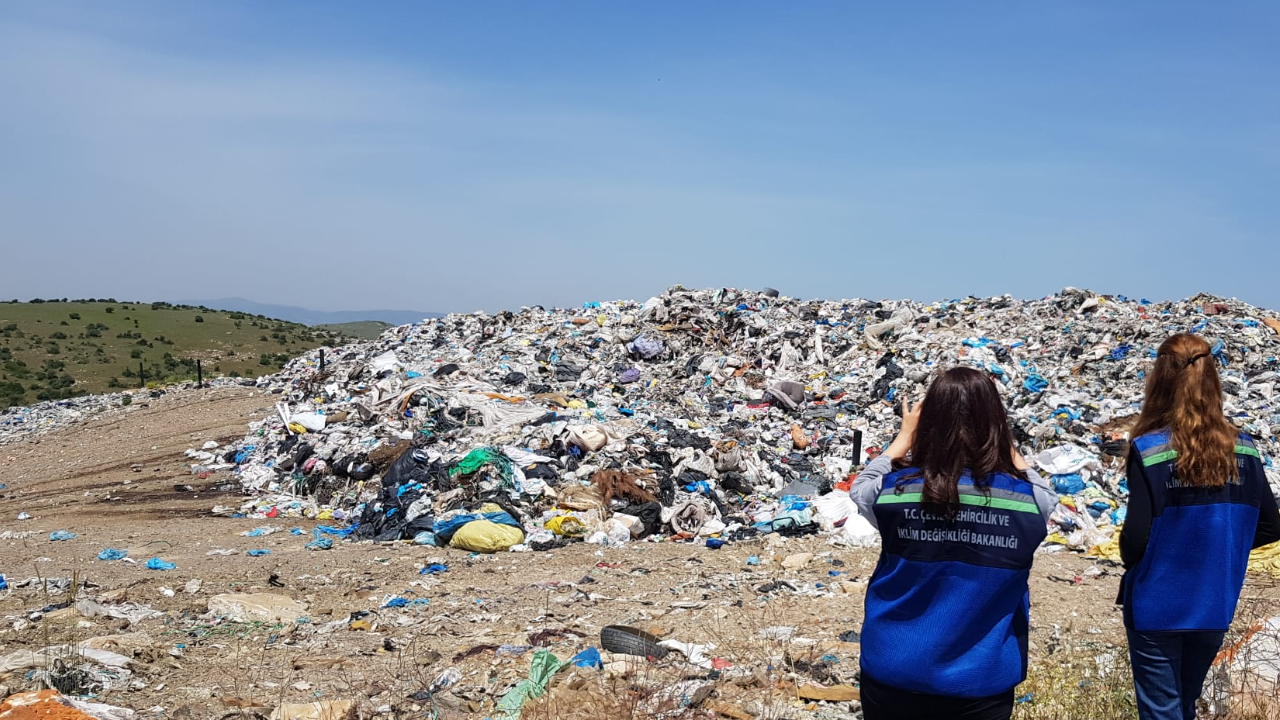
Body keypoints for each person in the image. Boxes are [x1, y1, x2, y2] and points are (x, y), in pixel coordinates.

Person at [850, 367, 1057, 720]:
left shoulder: (893, 492)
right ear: (996, 423)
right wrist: (1003, 439)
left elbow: (861, 487)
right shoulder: (1027, 502)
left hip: (893, 669)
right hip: (979, 679)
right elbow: (1044, 492)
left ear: (928, 423)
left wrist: (903, 438)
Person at [1119, 333, 1280, 720]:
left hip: (1157, 604)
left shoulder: (1150, 450)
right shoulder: (1245, 449)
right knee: (1186, 704)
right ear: (1212, 380)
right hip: (1213, 602)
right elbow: (1270, 527)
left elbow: (1135, 538)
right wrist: (1222, 549)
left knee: (1162, 710)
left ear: (1160, 378)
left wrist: (1147, 557)